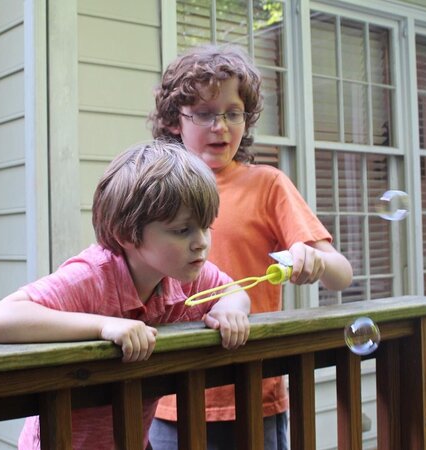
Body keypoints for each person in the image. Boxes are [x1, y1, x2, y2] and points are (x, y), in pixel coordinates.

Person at [0, 140, 251, 450]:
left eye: (206, 227)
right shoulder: (93, 276)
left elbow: (234, 291)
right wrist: (104, 326)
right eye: (182, 230)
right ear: (126, 234)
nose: (201, 242)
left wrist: (230, 310)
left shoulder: (186, 276)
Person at [149, 45, 353, 449]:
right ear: (174, 120)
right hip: (168, 394)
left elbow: (341, 274)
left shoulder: (267, 184)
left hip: (252, 390)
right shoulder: (156, 187)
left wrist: (314, 259)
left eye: (233, 113)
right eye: (204, 113)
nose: (220, 126)